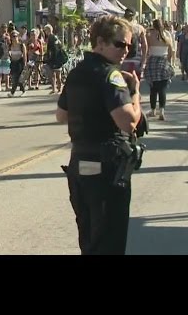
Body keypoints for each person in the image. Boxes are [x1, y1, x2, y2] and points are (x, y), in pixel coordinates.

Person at [56, 15, 143, 255]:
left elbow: (61, 115)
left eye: (129, 46)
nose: (125, 50)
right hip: (106, 169)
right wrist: (135, 93)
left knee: (89, 240)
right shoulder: (110, 75)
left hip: (80, 164)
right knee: (109, 241)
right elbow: (128, 122)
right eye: (120, 44)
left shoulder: (77, 72)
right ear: (101, 42)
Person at [122, 8, 148, 80]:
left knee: (122, 84)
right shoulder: (139, 28)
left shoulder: (120, 27)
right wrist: (143, 62)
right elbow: (144, 46)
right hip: (136, 60)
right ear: (134, 17)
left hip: (123, 60)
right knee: (135, 82)